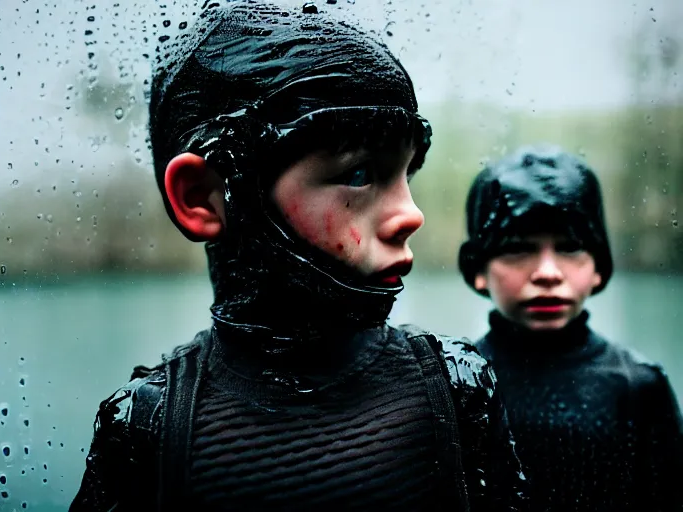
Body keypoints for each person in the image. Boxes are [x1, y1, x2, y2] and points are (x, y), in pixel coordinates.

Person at [71, 2, 528, 510]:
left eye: (406, 174)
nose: (410, 214)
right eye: (358, 174)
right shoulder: (147, 425)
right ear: (204, 196)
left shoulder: (457, 388)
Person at [457, 144, 683, 511]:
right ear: (478, 269)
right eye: (517, 248)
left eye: (571, 247)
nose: (548, 273)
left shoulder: (638, 387)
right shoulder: (457, 383)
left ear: (598, 267)